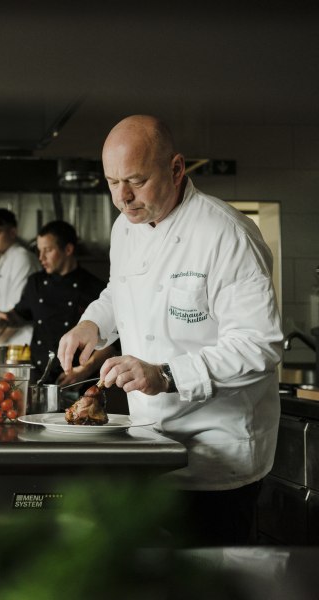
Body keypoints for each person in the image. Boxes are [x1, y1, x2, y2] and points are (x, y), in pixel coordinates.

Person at [57, 115, 283, 546]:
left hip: (217, 456)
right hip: (151, 445)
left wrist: (165, 374)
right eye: (112, 182)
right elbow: (118, 290)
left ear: (177, 169)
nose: (122, 198)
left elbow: (260, 345)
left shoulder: (227, 235)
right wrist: (93, 322)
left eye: (136, 181)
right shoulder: (127, 226)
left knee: (208, 580)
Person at [0, 220, 115, 384]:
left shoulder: (94, 288)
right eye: (39, 251)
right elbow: (21, 314)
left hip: (76, 382)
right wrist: (2, 318)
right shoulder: (35, 283)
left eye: (47, 250)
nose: (41, 257)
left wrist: (85, 369)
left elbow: (112, 343)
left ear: (68, 249)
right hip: (39, 378)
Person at [0, 208, 38, 346]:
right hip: (5, 344)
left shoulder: (21, 258)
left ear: (13, 232)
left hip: (22, 344)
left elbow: (17, 313)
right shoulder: (4, 259)